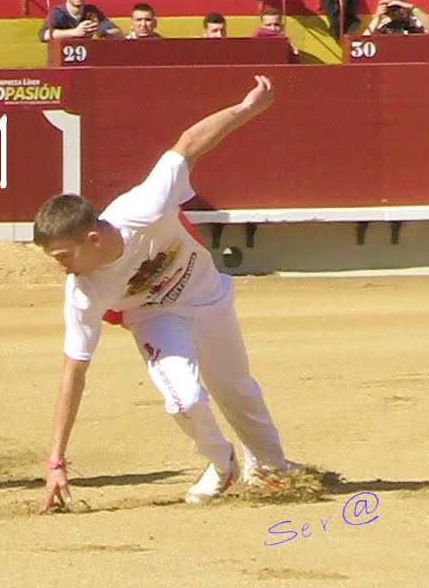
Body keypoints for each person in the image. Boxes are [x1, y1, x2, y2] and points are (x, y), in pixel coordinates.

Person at [36, 75, 293, 512]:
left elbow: (189, 143)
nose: (59, 266)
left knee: (236, 390)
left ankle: (271, 468)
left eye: (63, 255)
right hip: (154, 317)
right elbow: (72, 373)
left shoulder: (143, 208)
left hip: (206, 295)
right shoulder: (83, 290)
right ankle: (220, 463)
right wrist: (56, 459)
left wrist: (247, 109)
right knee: (184, 399)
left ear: (92, 240)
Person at [363, 0, 429, 34]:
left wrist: (412, 8)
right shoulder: (381, 23)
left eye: (394, 5)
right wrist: (377, 17)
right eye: (386, 4)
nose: (391, 8)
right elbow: (364, 40)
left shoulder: (413, 21)